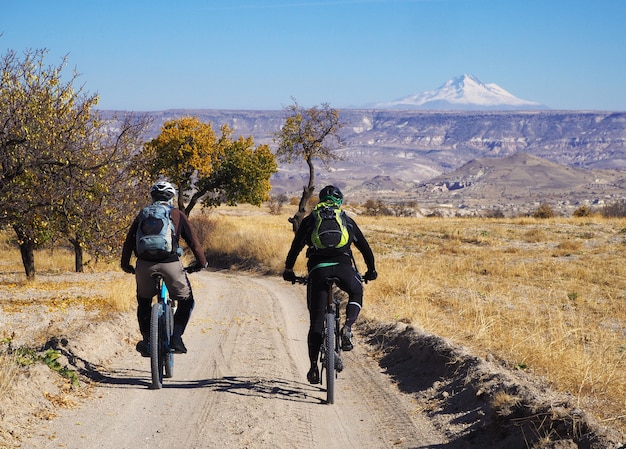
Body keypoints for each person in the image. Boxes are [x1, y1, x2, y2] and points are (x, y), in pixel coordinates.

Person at [282, 185, 377, 384]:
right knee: (356, 292)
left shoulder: (310, 221)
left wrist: (289, 270)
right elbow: (365, 248)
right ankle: (348, 327)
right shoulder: (346, 220)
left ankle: (313, 367)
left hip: (318, 271)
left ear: (319, 201)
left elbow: (295, 248)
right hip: (344, 268)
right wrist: (371, 270)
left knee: (316, 323)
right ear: (339, 201)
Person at [121, 181, 208, 356]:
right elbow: (194, 242)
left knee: (144, 301)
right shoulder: (177, 214)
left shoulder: (143, 214)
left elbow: (129, 241)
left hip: (144, 265)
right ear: (171, 198)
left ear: (153, 197)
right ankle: (176, 336)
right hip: (170, 264)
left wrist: (125, 264)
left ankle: (147, 340)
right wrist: (201, 263)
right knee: (187, 300)